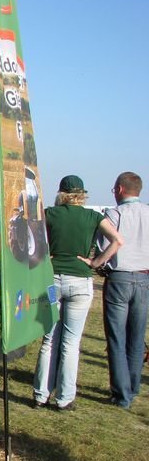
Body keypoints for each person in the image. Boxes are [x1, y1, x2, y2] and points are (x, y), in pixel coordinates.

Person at [32, 175, 123, 411]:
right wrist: (95, 262)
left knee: (49, 339)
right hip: (80, 283)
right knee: (71, 342)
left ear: (62, 193)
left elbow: (31, 238)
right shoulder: (93, 216)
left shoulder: (50, 214)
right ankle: (64, 398)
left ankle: (40, 395)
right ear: (82, 194)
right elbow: (117, 240)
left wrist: (45, 257)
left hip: (52, 283)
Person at [97, 172, 149, 410]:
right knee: (137, 339)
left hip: (119, 277)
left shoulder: (115, 214)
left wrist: (98, 263)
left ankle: (121, 393)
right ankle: (133, 386)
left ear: (119, 190)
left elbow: (105, 245)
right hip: (143, 277)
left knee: (117, 338)